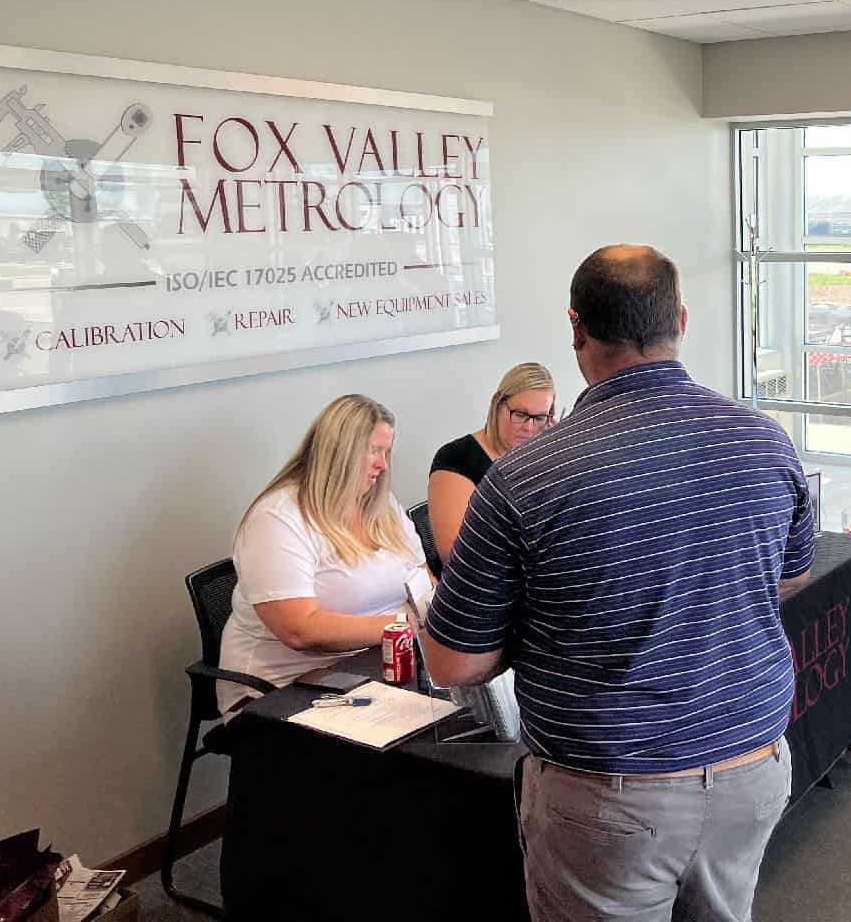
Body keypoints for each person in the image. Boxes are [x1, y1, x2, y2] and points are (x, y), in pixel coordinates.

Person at [421, 245, 813, 922]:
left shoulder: (522, 479)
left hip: (608, 796)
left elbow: (453, 662)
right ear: (680, 320)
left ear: (576, 329)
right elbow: (791, 575)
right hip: (752, 766)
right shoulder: (765, 440)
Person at [216, 394, 425, 714]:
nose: (383, 465)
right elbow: (300, 630)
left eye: (386, 452)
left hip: (376, 669)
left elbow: (423, 580)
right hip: (284, 691)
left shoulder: (379, 504)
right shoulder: (277, 517)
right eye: (374, 451)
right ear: (339, 452)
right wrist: (406, 625)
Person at [426, 362, 555, 562]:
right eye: (520, 415)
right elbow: (455, 555)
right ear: (497, 404)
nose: (529, 428)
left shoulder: (543, 458)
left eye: (539, 418)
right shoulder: (457, 459)